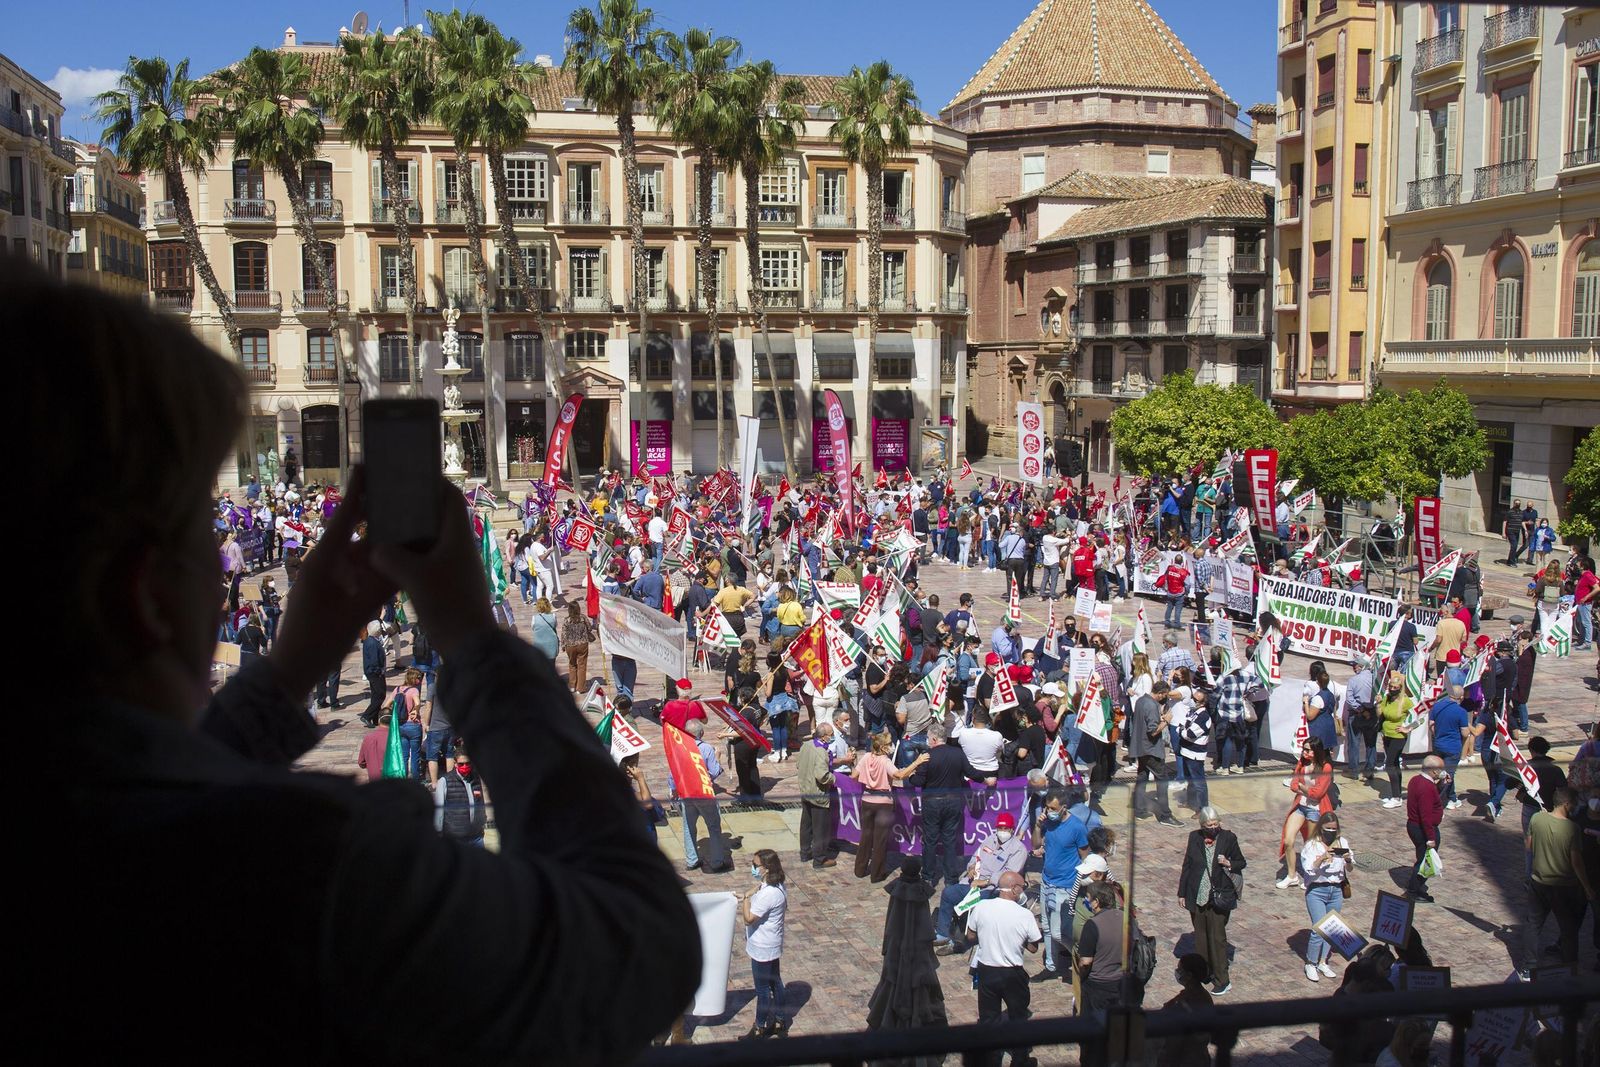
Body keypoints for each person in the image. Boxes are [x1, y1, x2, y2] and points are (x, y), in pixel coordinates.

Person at [866, 856, 949, 1047]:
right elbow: (923, 929)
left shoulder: (898, 895)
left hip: (900, 955)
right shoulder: (917, 895)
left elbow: (893, 926)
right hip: (914, 958)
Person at [965, 871, 1041, 1067]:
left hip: (987, 970)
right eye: (1022, 887)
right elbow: (1033, 947)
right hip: (1012, 973)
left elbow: (971, 936)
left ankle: (989, 1059)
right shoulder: (1024, 915)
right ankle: (1019, 1059)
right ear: (1015, 889)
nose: (1023, 890)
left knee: (988, 1018)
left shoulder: (981, 907)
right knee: (1018, 1018)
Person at [1521, 787, 1596, 977]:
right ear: (1566, 804)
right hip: (1564, 886)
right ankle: (1570, 967)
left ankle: (1528, 967)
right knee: (1569, 930)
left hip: (1538, 881)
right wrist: (1587, 886)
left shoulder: (1537, 819)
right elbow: (1576, 862)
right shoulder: (1572, 828)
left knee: (1533, 925)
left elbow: (1528, 846)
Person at [932, 813, 1029, 952]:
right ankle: (942, 933)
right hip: (972, 883)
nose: (1002, 832)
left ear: (1012, 830)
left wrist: (985, 882)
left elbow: (1008, 876)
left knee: (969, 904)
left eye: (1006, 829)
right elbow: (974, 859)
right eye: (1000, 828)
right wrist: (971, 868)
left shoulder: (1018, 849)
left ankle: (962, 939)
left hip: (992, 889)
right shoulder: (990, 840)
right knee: (948, 894)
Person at [1177, 807, 1245, 996]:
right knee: (1201, 937)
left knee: (1217, 938)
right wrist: (1182, 892)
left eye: (1215, 824)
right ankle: (1204, 972)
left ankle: (1222, 979)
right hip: (1197, 895)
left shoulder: (1228, 838)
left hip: (1219, 896)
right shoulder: (1194, 838)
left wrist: (1229, 863)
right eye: (1209, 825)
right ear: (1202, 826)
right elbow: (1187, 865)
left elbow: (1241, 862)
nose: (1213, 828)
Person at [912, 722, 986, 886]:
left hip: (932, 803)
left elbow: (918, 780)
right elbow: (971, 772)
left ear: (933, 739)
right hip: (953, 802)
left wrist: (909, 775)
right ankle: (951, 878)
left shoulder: (928, 756)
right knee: (949, 840)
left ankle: (928, 876)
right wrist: (985, 778)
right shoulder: (957, 753)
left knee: (930, 841)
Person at [853, 732, 928, 883]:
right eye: (888, 744)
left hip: (867, 799)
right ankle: (877, 874)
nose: (891, 747)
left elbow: (854, 775)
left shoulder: (866, 757)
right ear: (883, 747)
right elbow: (899, 775)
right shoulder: (885, 761)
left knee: (866, 836)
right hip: (883, 803)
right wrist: (916, 762)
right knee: (880, 840)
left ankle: (860, 869)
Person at [1031, 789, 1090, 980]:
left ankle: (1082, 957)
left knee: (1059, 932)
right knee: (1046, 927)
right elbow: (1035, 844)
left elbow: (1085, 857)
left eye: (1053, 808)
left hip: (1066, 885)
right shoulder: (1047, 822)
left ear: (1064, 807)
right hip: (1047, 881)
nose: (1049, 811)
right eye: (1047, 808)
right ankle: (1051, 966)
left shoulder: (1077, 827)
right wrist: (1038, 826)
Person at [739, 849, 790, 1040]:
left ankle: (759, 1027)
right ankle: (780, 1020)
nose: (753, 868)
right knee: (775, 982)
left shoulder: (767, 895)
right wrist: (754, 890)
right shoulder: (778, 885)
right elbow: (761, 888)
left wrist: (745, 898)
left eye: (755, 865)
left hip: (762, 947)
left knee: (762, 989)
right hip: (773, 943)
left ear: (766, 868)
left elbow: (748, 919)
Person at [1298, 810, 1352, 983]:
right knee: (1318, 928)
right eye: (1328, 828)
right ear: (1321, 828)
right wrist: (1321, 859)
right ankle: (1311, 963)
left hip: (1336, 890)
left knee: (1330, 928)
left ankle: (1323, 961)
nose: (1331, 831)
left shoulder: (1342, 842)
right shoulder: (1311, 846)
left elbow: (1350, 868)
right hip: (1317, 890)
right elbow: (1308, 870)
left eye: (1334, 828)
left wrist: (1348, 859)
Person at [1077, 880, 1144, 1013]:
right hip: (1123, 984)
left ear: (1096, 902)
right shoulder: (1127, 919)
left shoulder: (1092, 925)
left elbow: (1085, 962)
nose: (1086, 900)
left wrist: (1081, 977)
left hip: (1099, 986)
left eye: (1088, 897)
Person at [1276, 739, 1335, 888]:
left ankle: (1312, 875)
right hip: (1300, 806)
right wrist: (1303, 788)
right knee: (1288, 840)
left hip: (1315, 809)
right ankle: (1291, 875)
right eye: (1304, 749)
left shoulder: (1325, 767)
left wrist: (1302, 787)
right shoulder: (1302, 763)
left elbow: (1318, 793)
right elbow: (1293, 783)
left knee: (1311, 845)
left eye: (1308, 750)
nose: (1305, 752)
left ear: (1317, 751)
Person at [678, 718, 732, 873]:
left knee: (689, 827)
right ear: (701, 733)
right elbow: (714, 772)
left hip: (686, 793)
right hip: (703, 793)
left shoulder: (680, 748)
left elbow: (673, 772)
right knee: (714, 827)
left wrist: (673, 789)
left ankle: (692, 860)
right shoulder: (707, 749)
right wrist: (717, 757)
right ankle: (717, 862)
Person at [1131, 680, 1180, 825]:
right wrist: (1166, 721)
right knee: (1162, 780)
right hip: (1151, 749)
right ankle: (1165, 815)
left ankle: (1139, 809)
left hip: (1140, 747)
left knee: (1142, 777)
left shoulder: (1140, 700)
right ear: (1161, 694)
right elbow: (1153, 731)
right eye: (1165, 695)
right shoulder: (1152, 705)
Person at [1157, 953, 1216, 1067]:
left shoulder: (1186, 1004)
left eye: (1179, 969)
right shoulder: (1203, 995)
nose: (1177, 972)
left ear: (1189, 975)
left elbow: (1173, 1045)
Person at [796, 719, 839, 869]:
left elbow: (798, 764)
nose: (832, 736)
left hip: (805, 790)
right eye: (831, 734)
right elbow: (822, 775)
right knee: (820, 828)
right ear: (823, 737)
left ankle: (805, 852)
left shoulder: (806, 745)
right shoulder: (821, 752)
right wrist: (834, 779)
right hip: (818, 793)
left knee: (806, 824)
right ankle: (819, 859)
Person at [1405, 755, 1447, 903]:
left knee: (1422, 858)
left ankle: (1417, 886)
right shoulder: (1426, 787)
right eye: (1441, 769)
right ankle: (1413, 891)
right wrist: (1430, 838)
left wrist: (1441, 785)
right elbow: (1425, 815)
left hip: (1416, 826)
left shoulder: (1416, 780)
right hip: (1423, 829)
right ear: (1434, 771)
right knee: (1424, 861)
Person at [433, 738, 488, 848]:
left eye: (467, 763)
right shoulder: (444, 781)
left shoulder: (476, 778)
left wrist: (483, 820)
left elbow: (480, 802)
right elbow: (439, 810)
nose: (465, 766)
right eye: (461, 764)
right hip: (456, 838)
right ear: (455, 763)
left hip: (476, 836)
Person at [1428, 684, 1470, 809]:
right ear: (1461, 697)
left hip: (1438, 745)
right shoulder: (1461, 712)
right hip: (1452, 748)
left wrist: (1438, 735)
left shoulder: (1437, 706)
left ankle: (1452, 798)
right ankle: (1435, 802)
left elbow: (1431, 725)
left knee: (1445, 773)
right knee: (1447, 776)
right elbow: (1465, 733)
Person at [1378, 671, 1415, 808]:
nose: (1392, 689)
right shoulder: (1387, 698)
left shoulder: (1405, 701)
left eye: (1395, 687)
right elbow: (1380, 714)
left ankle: (1396, 796)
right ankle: (1397, 794)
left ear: (1400, 688)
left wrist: (1407, 728)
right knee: (1394, 764)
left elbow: (1419, 716)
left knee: (1389, 764)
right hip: (1386, 734)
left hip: (1398, 736)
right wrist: (1378, 703)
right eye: (1391, 686)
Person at [561, 600, 596, 694]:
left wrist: (563, 645)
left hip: (570, 645)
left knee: (572, 664)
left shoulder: (566, 620)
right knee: (582, 665)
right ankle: (580, 688)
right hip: (582, 644)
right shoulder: (583, 618)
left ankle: (572, 686)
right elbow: (589, 628)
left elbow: (563, 634)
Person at [359, 620, 386, 728]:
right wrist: (379, 671)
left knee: (376, 695)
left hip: (373, 672)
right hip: (375, 673)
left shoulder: (371, 640)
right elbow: (374, 661)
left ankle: (375, 718)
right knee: (380, 695)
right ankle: (367, 715)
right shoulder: (372, 643)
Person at [356, 712, 391, 782]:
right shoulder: (396, 739)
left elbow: (361, 762)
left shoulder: (368, 738)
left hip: (374, 779)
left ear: (379, 721)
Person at [528, 596, 560, 663]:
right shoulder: (553, 616)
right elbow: (555, 625)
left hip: (539, 646)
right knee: (552, 665)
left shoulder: (534, 618)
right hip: (552, 644)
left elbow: (533, 628)